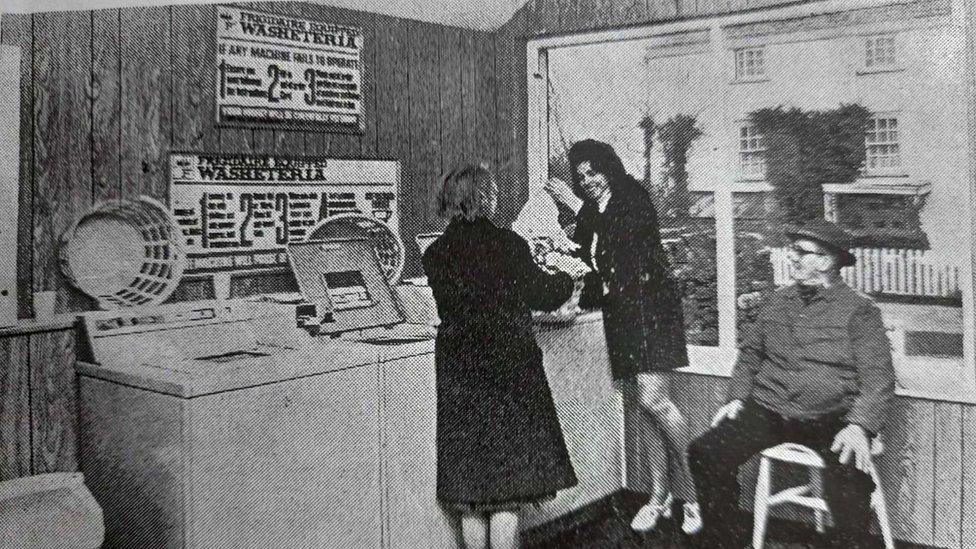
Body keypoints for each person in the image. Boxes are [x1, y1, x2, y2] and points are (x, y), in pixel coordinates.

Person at [687, 219, 896, 549]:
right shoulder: (778, 302)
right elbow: (751, 353)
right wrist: (737, 397)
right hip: (770, 412)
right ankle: (724, 540)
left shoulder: (860, 312)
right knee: (705, 452)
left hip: (831, 419)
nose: (792, 258)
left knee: (849, 482)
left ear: (826, 261)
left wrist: (859, 426)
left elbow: (879, 379)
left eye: (800, 252)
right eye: (792, 250)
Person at [422, 164, 584, 549]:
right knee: (507, 490)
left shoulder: (435, 254)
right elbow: (544, 294)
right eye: (493, 193)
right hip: (510, 374)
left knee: (473, 495)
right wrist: (569, 279)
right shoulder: (510, 246)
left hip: (461, 377)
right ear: (487, 199)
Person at [544, 139, 701, 535]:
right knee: (640, 405)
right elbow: (589, 260)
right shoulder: (594, 211)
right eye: (581, 177)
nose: (588, 181)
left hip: (652, 310)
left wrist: (576, 205)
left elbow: (628, 240)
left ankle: (695, 495)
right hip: (622, 314)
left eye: (593, 172)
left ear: (608, 167)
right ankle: (659, 495)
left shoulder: (632, 195)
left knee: (656, 401)